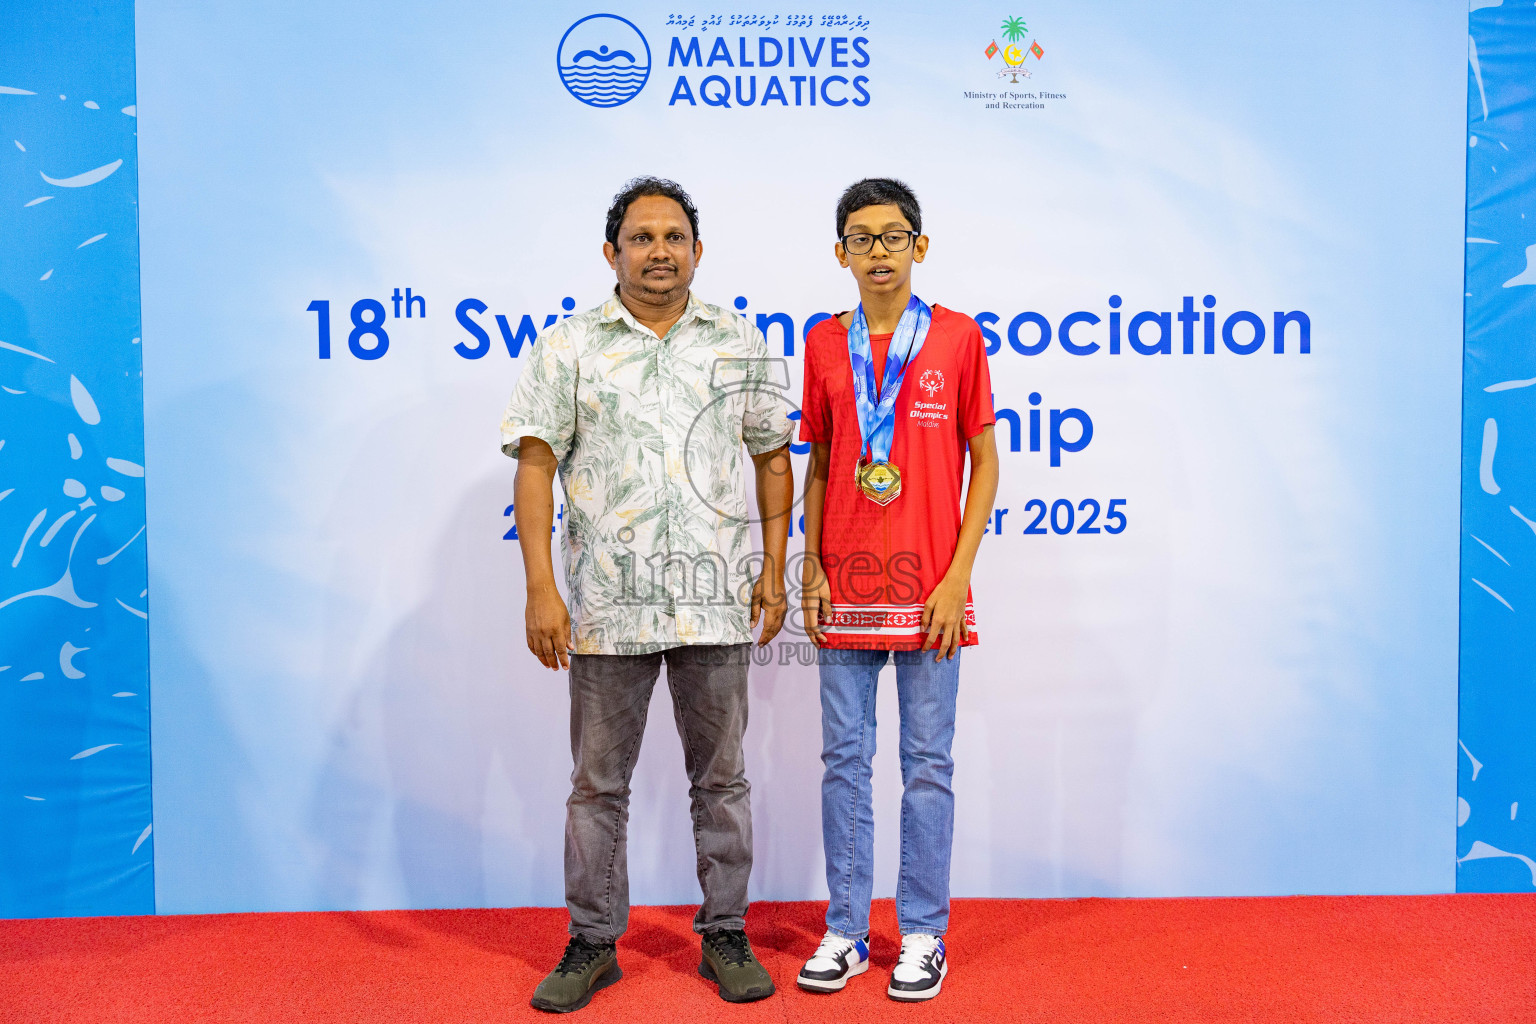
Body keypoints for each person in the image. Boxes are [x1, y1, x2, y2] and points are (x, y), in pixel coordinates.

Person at [501, 176, 795, 1013]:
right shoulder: (569, 347)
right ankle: (592, 944)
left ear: (698, 251)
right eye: (641, 237)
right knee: (598, 786)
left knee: (723, 782)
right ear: (611, 252)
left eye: (674, 237)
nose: (658, 251)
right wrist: (540, 589)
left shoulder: (739, 341)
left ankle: (726, 934)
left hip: (714, 601)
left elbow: (773, 457)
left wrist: (774, 570)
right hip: (603, 606)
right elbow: (536, 464)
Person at [794, 178, 999, 1002]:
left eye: (893, 235)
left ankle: (921, 934)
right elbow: (818, 462)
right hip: (844, 584)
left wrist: (958, 578)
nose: (877, 251)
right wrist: (808, 565)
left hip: (930, 589)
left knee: (927, 764)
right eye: (861, 237)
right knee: (845, 762)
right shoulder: (821, 343)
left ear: (920, 245)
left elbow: (984, 465)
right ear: (839, 251)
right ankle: (844, 930)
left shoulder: (956, 339)